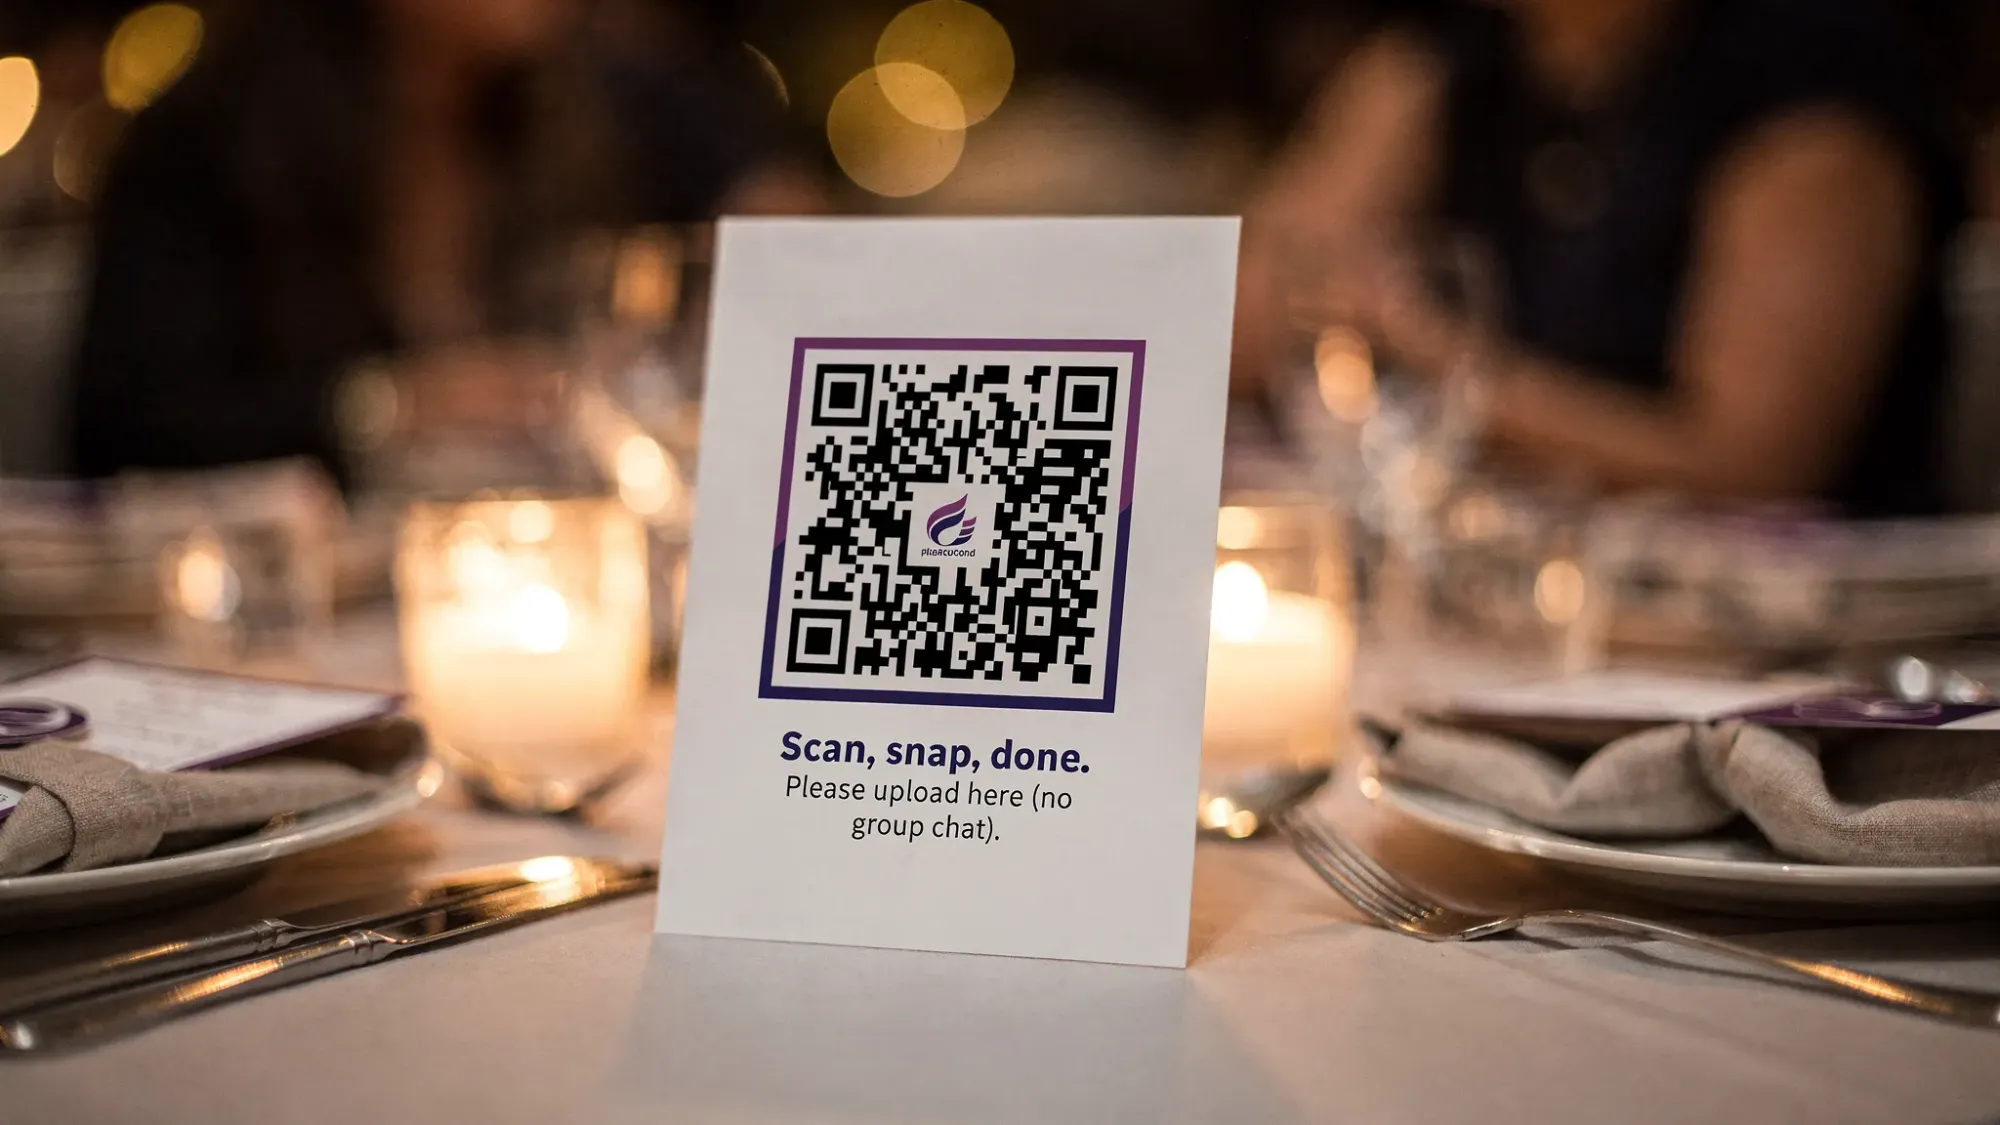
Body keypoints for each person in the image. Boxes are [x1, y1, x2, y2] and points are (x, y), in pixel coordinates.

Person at [1237, 0, 1968, 516]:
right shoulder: (1454, 60)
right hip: (1526, 596)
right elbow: (1246, 318)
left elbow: (1748, 465)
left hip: (1800, 656)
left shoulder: (1811, 90)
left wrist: (1437, 361)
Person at [69, 0, 813, 490]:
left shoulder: (591, 98)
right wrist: (387, 402)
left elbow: (784, 220)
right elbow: (128, 425)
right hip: (276, 610)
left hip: (531, 576)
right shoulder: (208, 134)